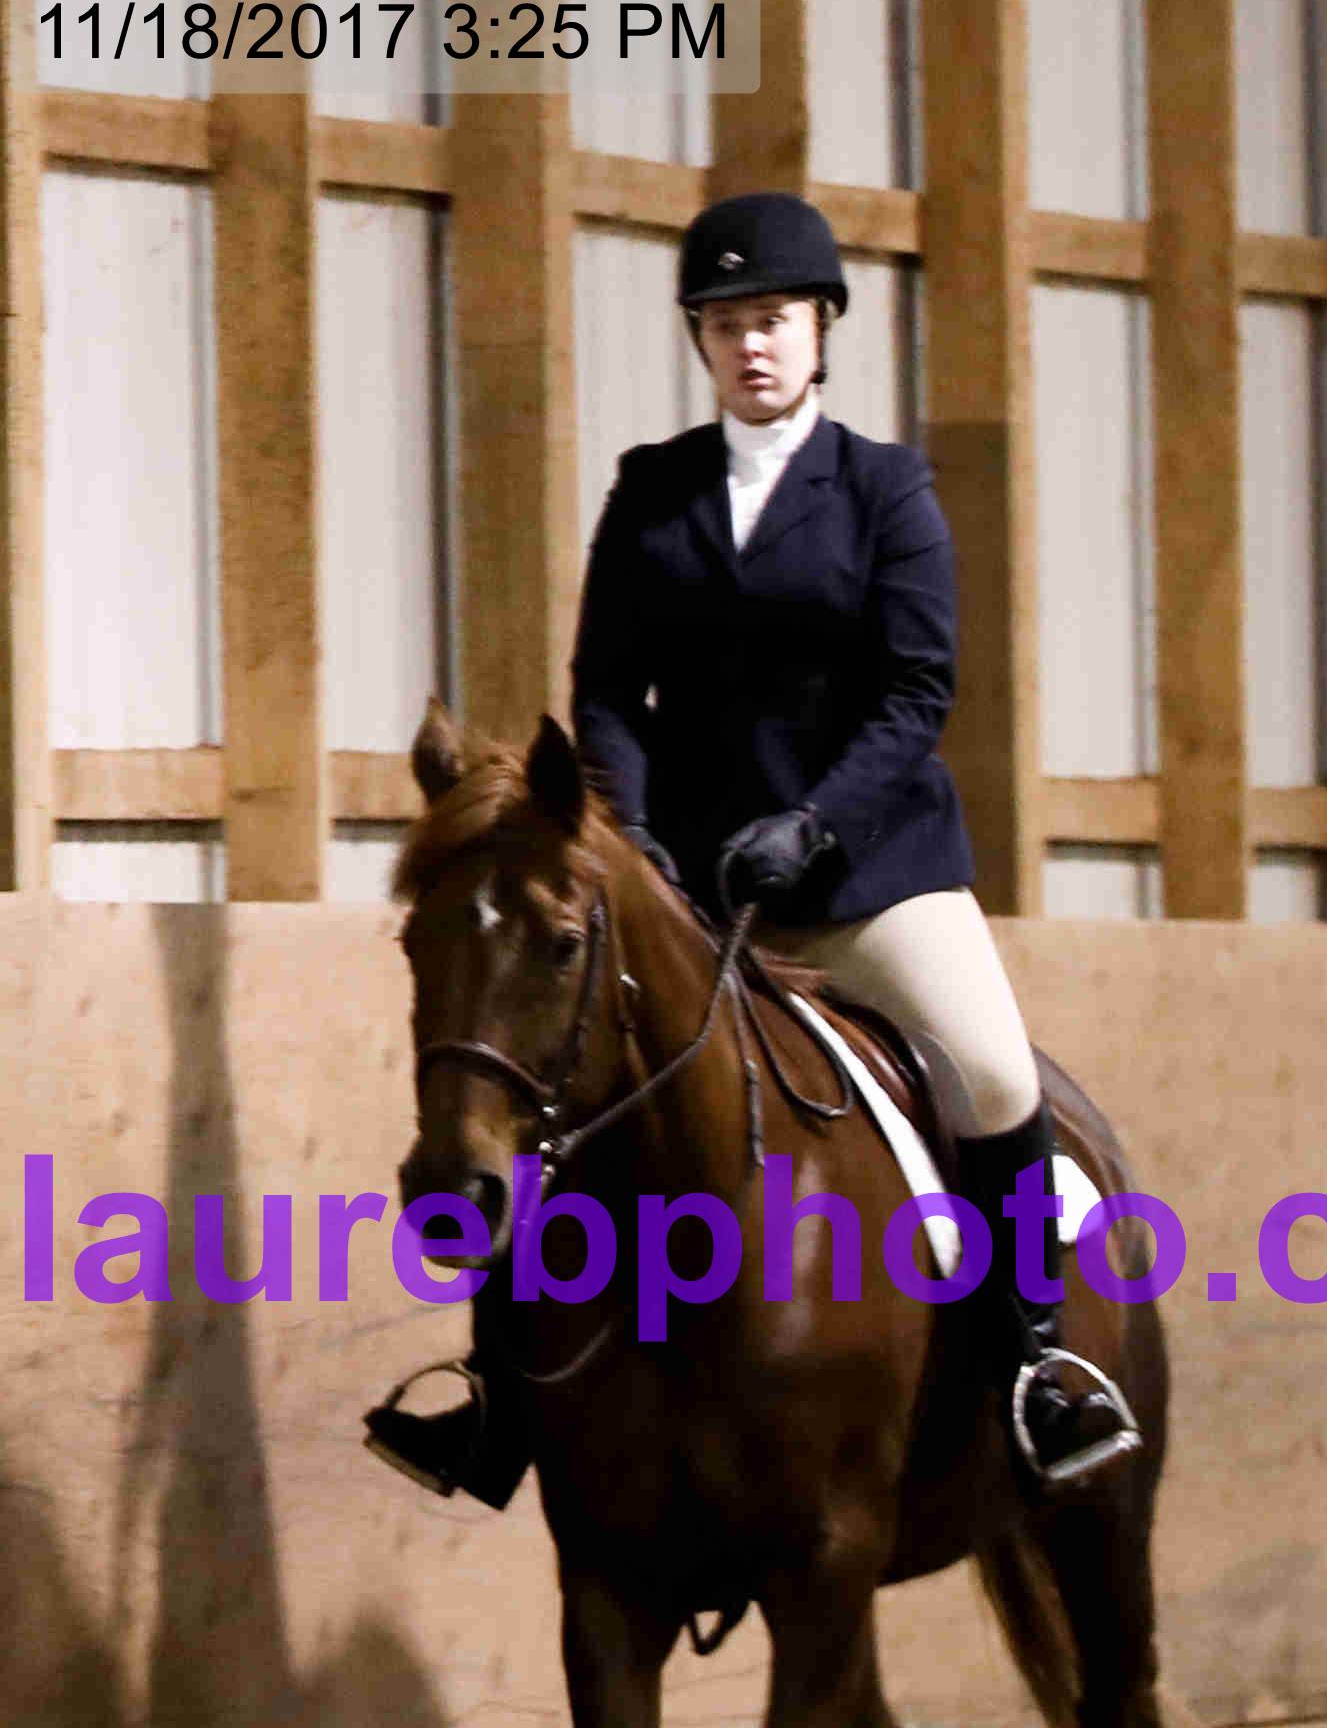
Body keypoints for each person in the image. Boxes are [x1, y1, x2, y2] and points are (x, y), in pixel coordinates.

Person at [365, 190, 1132, 1500]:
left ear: (821, 327)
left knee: (997, 1077)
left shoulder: (885, 490)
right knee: (552, 1108)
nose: (751, 345)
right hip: (692, 888)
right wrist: (635, 832)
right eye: (725, 325)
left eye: (773, 319)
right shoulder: (652, 491)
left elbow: (916, 692)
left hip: (869, 879)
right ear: (700, 342)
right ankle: (497, 1398)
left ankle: (1036, 1367)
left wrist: (817, 823)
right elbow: (607, 686)